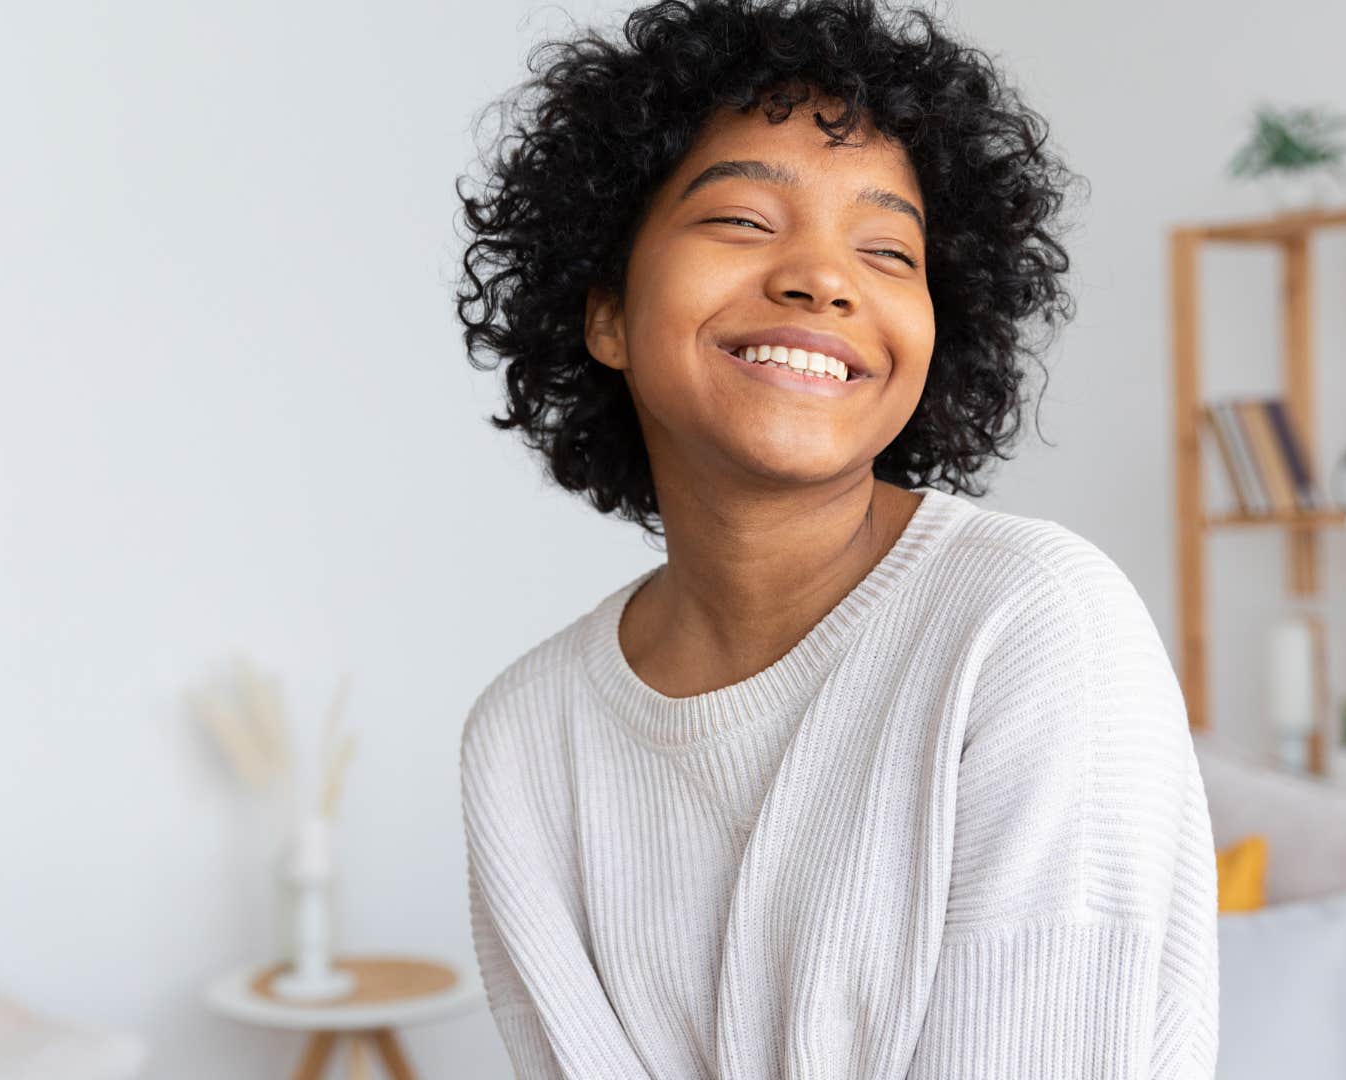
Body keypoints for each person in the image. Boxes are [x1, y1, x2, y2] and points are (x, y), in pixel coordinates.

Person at [449, 1, 1220, 1076]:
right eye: (744, 223)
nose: (824, 277)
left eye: (887, 250)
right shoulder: (525, 740)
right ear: (608, 314)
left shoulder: (1033, 625)